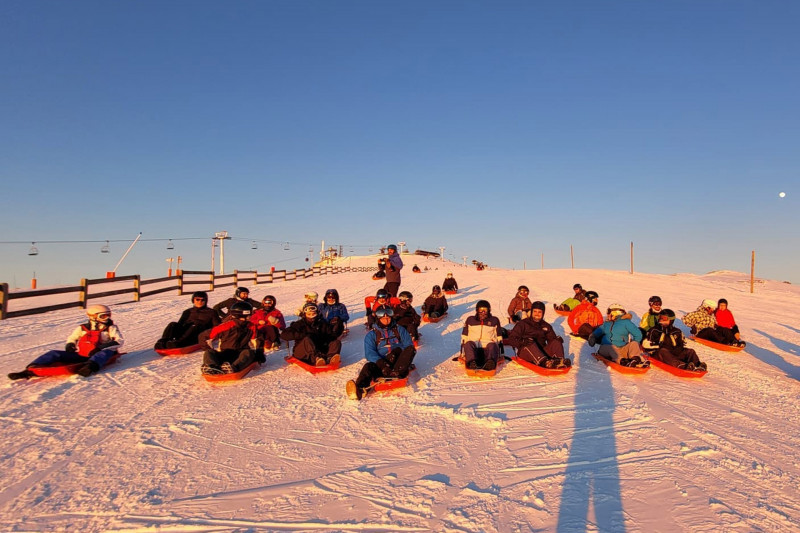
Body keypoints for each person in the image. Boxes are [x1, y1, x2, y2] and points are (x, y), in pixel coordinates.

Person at [8, 304, 125, 380]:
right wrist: (70, 344)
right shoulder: (83, 328)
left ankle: (90, 367)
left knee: (104, 354)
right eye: (103, 316)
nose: (107, 318)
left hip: (102, 353)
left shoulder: (110, 328)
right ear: (93, 317)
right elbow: (73, 337)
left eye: (108, 316)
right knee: (54, 353)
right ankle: (29, 370)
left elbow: (119, 341)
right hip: (83, 354)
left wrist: (101, 348)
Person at [346, 305, 416, 400]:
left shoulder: (399, 330)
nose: (386, 319)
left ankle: (396, 373)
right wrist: (381, 364)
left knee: (406, 350)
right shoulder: (372, 335)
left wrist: (402, 355)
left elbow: (408, 345)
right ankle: (359, 389)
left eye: (388, 317)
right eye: (383, 317)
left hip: (398, 362)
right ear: (378, 318)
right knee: (368, 366)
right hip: (382, 363)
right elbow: (369, 353)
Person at [202, 302, 266, 374]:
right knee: (209, 352)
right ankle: (212, 367)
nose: (251, 316)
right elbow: (204, 336)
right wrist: (208, 347)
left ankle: (232, 368)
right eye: (249, 315)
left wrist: (259, 353)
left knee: (248, 352)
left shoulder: (252, 327)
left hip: (241, 356)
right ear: (243, 315)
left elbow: (258, 339)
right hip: (225, 354)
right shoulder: (226, 326)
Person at [506, 301, 569, 368]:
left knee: (556, 342)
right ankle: (546, 363)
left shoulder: (546, 326)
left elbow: (551, 340)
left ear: (543, 313)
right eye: (535, 311)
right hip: (525, 351)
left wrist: (557, 340)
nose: (537, 314)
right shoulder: (523, 324)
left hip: (541, 351)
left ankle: (560, 361)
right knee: (530, 341)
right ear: (531, 312)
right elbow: (511, 339)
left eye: (539, 312)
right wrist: (523, 341)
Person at [588, 303, 648, 367]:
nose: (607, 314)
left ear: (615, 313)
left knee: (634, 343)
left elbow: (638, 334)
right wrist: (592, 337)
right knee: (612, 347)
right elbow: (597, 332)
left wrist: (634, 348)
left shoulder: (626, 322)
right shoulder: (606, 323)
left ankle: (636, 359)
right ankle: (623, 361)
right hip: (606, 349)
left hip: (621, 349)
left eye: (609, 312)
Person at [154, 291, 219, 349]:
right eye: (197, 299)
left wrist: (209, 336)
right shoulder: (187, 311)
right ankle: (163, 342)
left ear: (206, 301)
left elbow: (217, 327)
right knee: (173, 324)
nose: (200, 302)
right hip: (186, 332)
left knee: (195, 325)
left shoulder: (212, 312)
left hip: (197, 335)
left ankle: (179, 343)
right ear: (193, 300)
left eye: (202, 300)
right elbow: (180, 324)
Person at [461, 300, 505, 370]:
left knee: (492, 345)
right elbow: (464, 336)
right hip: (474, 349)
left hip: (487, 348)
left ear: (489, 310)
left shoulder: (494, 320)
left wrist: (501, 352)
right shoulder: (470, 320)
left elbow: (499, 336)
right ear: (477, 310)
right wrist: (462, 352)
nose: (483, 312)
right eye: (480, 310)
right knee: (468, 344)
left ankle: (490, 363)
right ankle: (472, 362)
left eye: (485, 310)